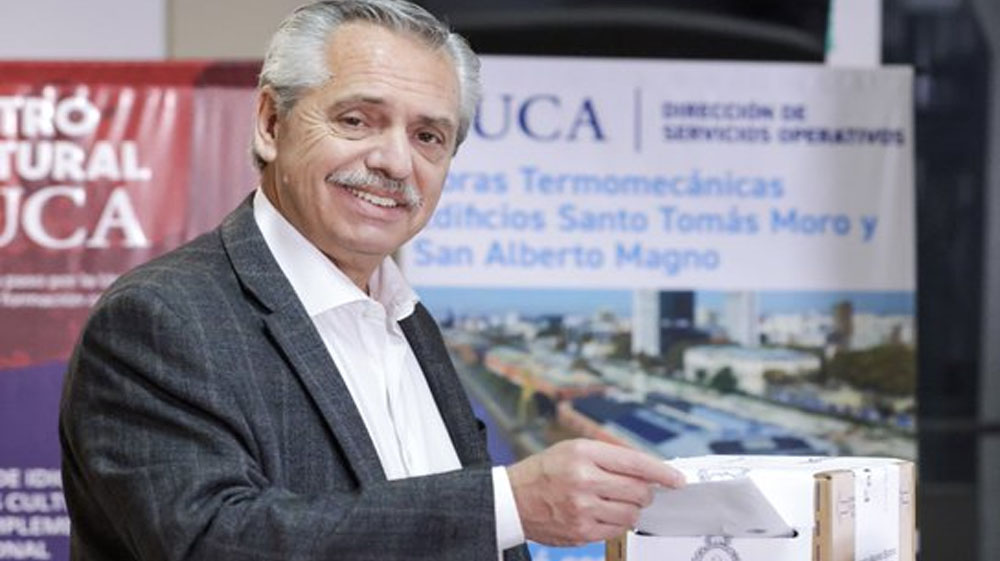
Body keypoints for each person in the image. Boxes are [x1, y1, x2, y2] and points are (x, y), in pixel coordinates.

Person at [58, 1, 684, 559]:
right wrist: (509, 505)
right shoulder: (161, 316)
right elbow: (210, 542)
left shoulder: (408, 319)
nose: (394, 162)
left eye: (428, 136)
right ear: (271, 124)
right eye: (357, 120)